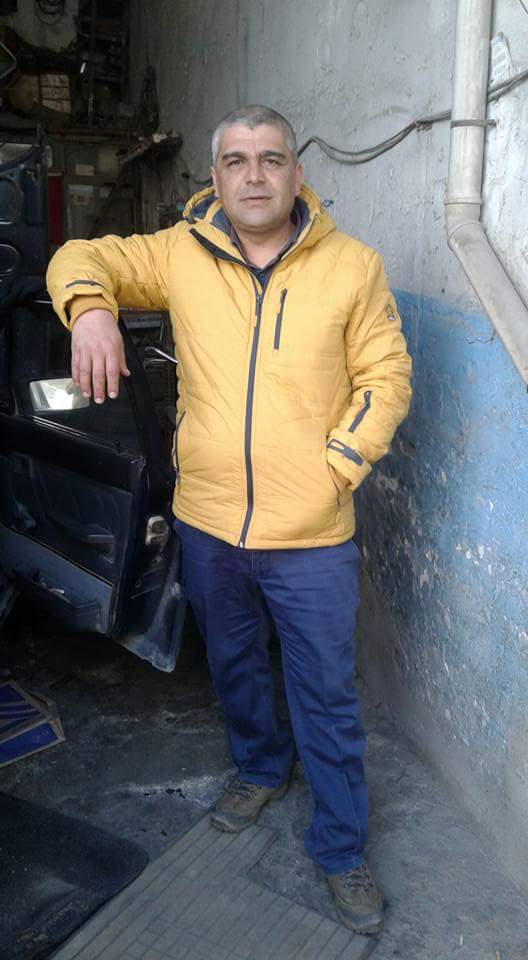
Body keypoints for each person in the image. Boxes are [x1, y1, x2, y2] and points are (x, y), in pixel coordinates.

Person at [47, 105, 412, 935]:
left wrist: (336, 467)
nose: (254, 175)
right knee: (236, 666)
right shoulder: (179, 253)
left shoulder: (351, 267)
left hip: (312, 535)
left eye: (270, 159)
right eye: (237, 161)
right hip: (210, 523)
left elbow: (386, 376)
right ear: (214, 178)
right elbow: (79, 255)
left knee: (325, 695)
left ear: (296, 173)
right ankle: (260, 768)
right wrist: (92, 309)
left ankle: (341, 849)